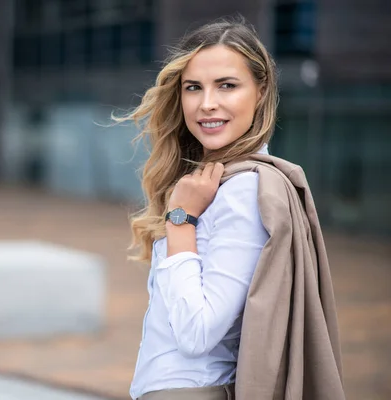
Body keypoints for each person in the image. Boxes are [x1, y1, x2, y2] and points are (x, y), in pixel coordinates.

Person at [113, 17, 345, 400]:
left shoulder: (243, 190)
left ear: (261, 89)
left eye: (227, 85)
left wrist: (181, 221)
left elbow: (197, 333)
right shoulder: (214, 184)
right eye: (193, 88)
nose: (207, 104)